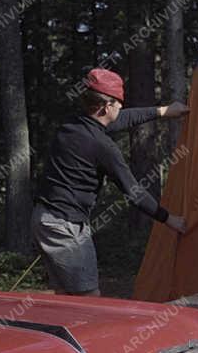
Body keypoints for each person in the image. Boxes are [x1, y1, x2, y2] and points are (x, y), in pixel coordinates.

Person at [33, 68, 188, 296]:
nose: (121, 109)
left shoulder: (73, 125)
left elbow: (121, 119)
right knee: (88, 298)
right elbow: (134, 192)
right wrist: (169, 219)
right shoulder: (102, 146)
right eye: (118, 104)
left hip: (44, 219)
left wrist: (164, 111)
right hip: (65, 226)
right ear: (106, 107)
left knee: (66, 298)